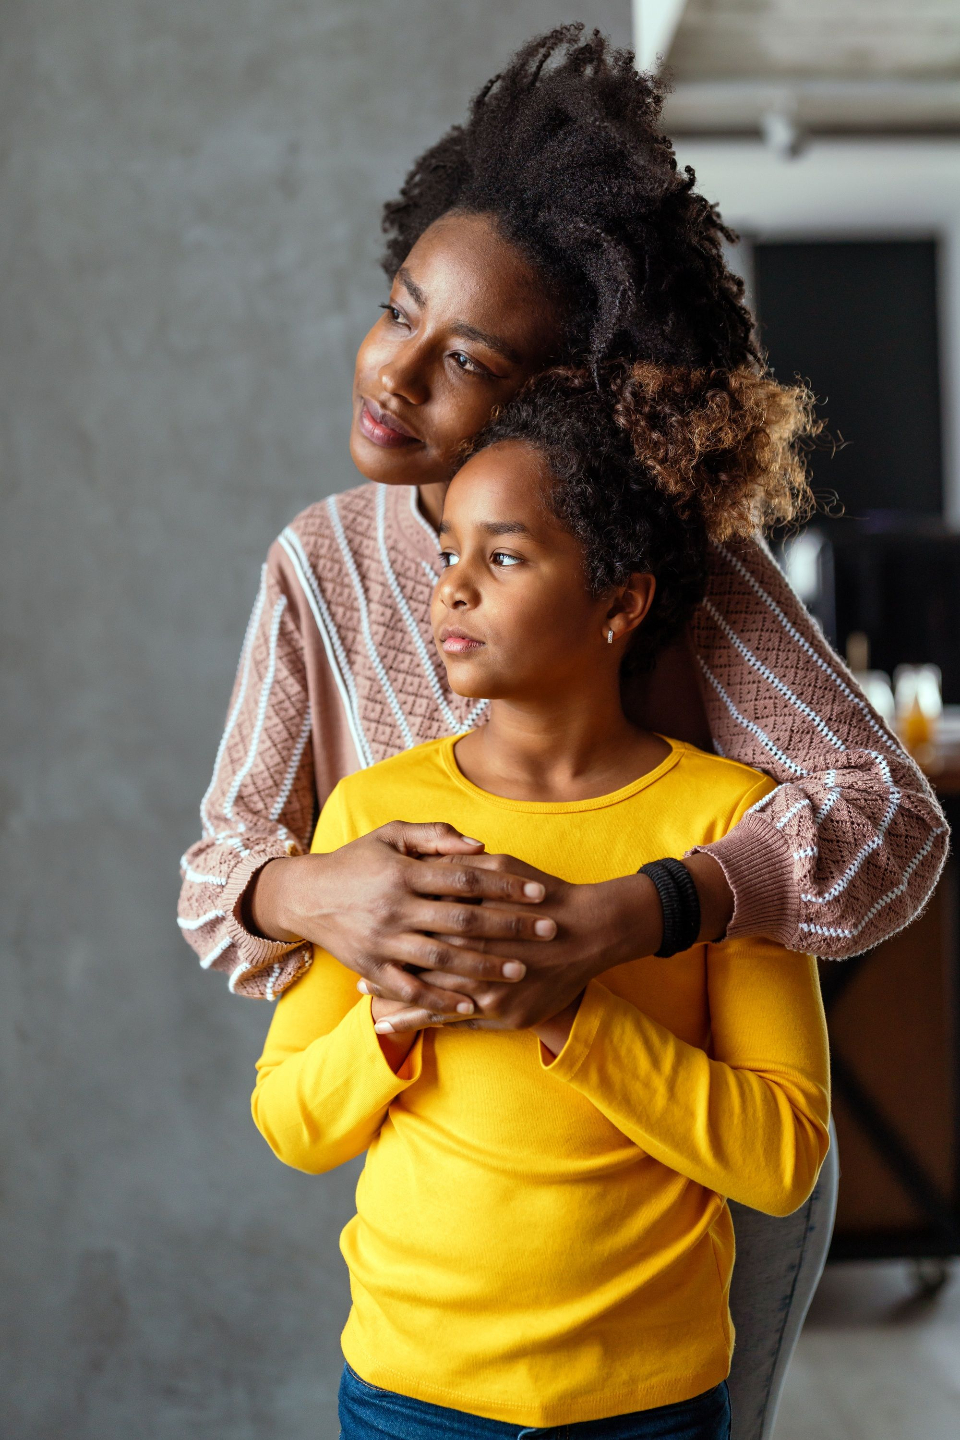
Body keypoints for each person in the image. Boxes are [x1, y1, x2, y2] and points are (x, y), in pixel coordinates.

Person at [178, 27, 945, 1440]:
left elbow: (890, 823)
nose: (394, 373)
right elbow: (225, 868)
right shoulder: (320, 565)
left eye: (462, 356)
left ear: (557, 398)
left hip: (678, 1189)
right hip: (455, 1212)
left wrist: (654, 911)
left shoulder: (676, 569)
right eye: (399, 307)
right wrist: (313, 890)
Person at [252, 370, 832, 1440]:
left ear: (621, 602)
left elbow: (783, 1157)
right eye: (449, 556)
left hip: (647, 1406)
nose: (454, 589)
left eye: (504, 556)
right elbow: (291, 1125)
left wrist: (566, 1011)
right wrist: (393, 1016)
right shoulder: (375, 817)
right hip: (408, 1397)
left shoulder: (730, 826)